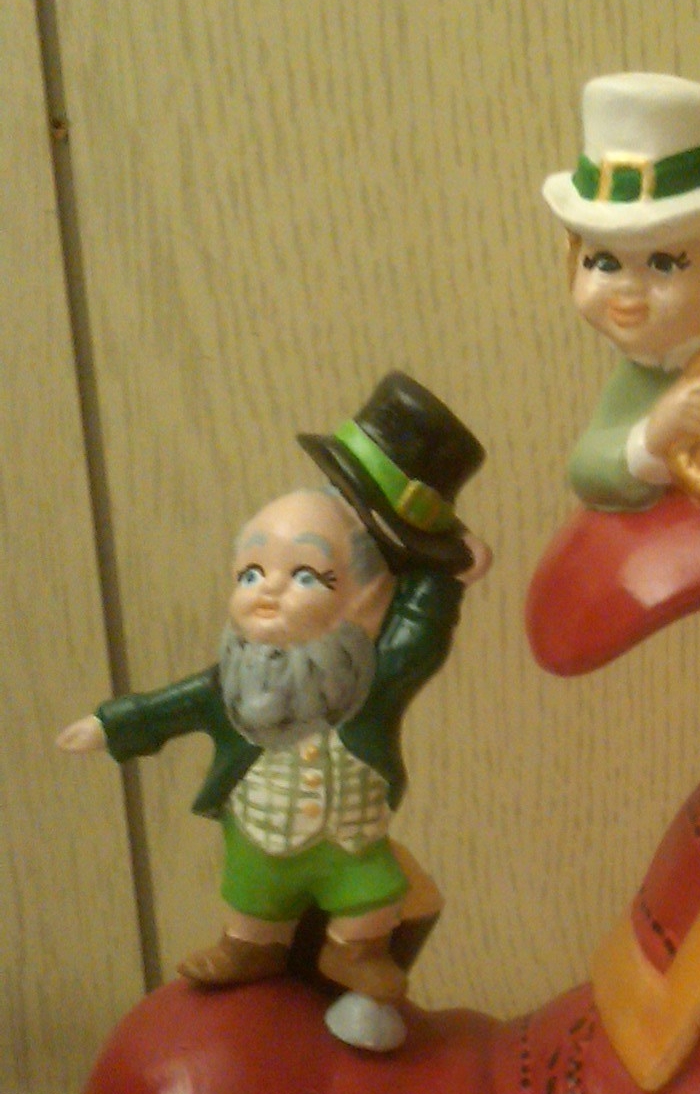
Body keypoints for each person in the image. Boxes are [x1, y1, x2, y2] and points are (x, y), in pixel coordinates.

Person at [58, 372, 489, 1005]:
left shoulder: (371, 677)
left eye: (306, 576)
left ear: (367, 599)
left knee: (374, 892)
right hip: (258, 830)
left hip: (349, 839)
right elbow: (170, 706)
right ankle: (249, 946)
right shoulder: (237, 682)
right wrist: (109, 724)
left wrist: (443, 579)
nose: (269, 590)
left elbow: (420, 637)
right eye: (252, 571)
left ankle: (353, 951)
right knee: (252, 892)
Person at [542, 72, 700, 510]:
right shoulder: (647, 372)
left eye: (664, 264)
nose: (627, 290)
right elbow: (588, 468)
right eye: (604, 263)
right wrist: (652, 438)